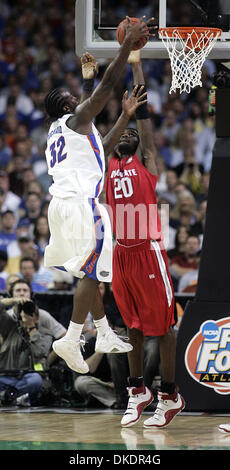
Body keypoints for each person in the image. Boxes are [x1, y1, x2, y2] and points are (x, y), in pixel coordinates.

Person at [43, 17, 154, 375]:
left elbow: (102, 148)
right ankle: (72, 338)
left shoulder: (63, 130)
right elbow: (103, 89)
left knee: (90, 272)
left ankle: (103, 332)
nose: (77, 98)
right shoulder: (74, 119)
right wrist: (127, 47)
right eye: (70, 98)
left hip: (62, 205)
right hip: (78, 204)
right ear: (64, 107)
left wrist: (123, 117)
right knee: (92, 272)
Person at [105, 50, 185, 428]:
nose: (131, 133)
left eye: (134, 133)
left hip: (148, 252)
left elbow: (144, 115)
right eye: (127, 130)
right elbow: (105, 138)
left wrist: (136, 60)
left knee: (163, 328)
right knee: (132, 327)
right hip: (121, 254)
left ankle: (169, 395)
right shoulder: (107, 162)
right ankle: (138, 390)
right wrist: (121, 113)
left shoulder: (145, 160)